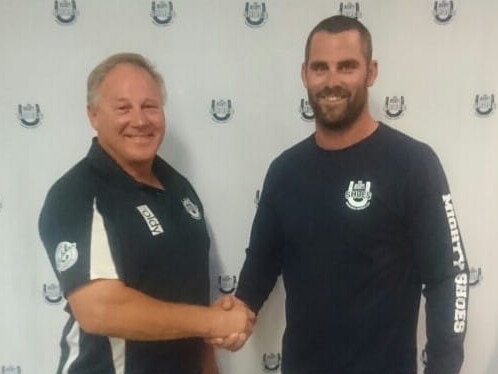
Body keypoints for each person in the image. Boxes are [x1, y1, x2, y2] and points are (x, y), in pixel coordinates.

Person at [218, 15, 469, 374]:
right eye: (320, 68)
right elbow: (260, 265)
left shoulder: (414, 164)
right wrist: (234, 315)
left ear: (371, 72)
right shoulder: (285, 172)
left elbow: (449, 278)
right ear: (305, 74)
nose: (332, 80)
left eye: (347, 66)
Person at [38, 52, 254, 374]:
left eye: (149, 106)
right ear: (94, 115)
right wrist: (213, 322)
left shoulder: (179, 188)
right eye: (123, 108)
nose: (140, 120)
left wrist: (211, 353)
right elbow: (100, 309)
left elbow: (191, 296)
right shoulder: (75, 194)